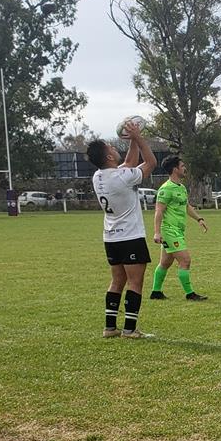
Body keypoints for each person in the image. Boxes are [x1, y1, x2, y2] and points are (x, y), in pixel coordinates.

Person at [89, 120, 156, 338]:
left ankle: (109, 327)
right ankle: (129, 329)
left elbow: (129, 162)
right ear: (108, 157)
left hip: (111, 237)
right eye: (111, 148)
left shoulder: (99, 176)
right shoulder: (122, 178)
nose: (114, 148)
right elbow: (151, 163)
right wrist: (137, 137)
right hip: (131, 236)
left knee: (117, 281)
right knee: (135, 282)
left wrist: (132, 143)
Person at [149, 156, 209, 301]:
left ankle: (156, 292)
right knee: (185, 261)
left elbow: (186, 206)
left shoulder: (181, 188)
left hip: (178, 231)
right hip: (169, 231)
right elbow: (158, 211)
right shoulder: (165, 189)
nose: (185, 168)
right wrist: (157, 232)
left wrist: (199, 219)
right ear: (175, 169)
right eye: (182, 166)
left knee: (165, 263)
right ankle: (190, 294)